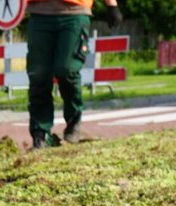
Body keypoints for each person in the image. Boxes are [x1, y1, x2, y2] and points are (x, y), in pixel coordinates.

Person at [25, 0, 121, 148]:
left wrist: (112, 5)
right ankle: (41, 134)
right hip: (39, 13)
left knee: (67, 70)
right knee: (39, 75)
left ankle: (73, 121)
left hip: (74, 13)